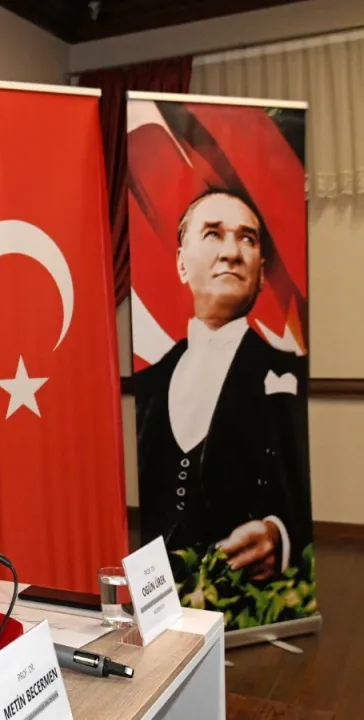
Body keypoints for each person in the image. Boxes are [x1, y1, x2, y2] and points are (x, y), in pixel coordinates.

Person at [134, 188, 312, 582]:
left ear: (261, 273)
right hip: (161, 594)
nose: (231, 252)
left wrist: (280, 535)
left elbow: (301, 486)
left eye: (247, 238)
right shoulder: (148, 385)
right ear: (181, 263)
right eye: (213, 233)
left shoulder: (290, 376)